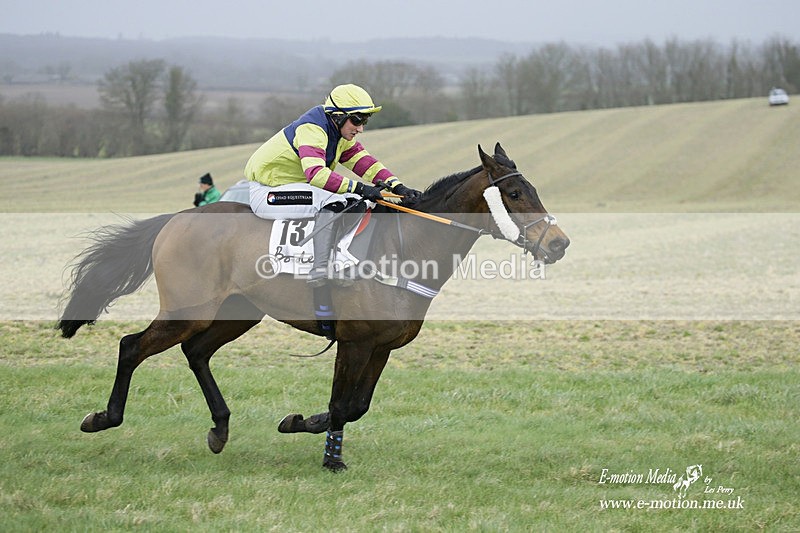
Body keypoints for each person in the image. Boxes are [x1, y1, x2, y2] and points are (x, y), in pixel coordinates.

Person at [245, 83, 422, 286]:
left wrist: (398, 187)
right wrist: (361, 188)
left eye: (365, 120)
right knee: (339, 201)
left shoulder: (339, 132)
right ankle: (320, 268)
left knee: (357, 201)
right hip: (269, 194)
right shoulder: (312, 129)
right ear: (338, 116)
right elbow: (317, 175)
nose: (361, 128)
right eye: (357, 120)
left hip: (292, 188)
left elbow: (365, 163)